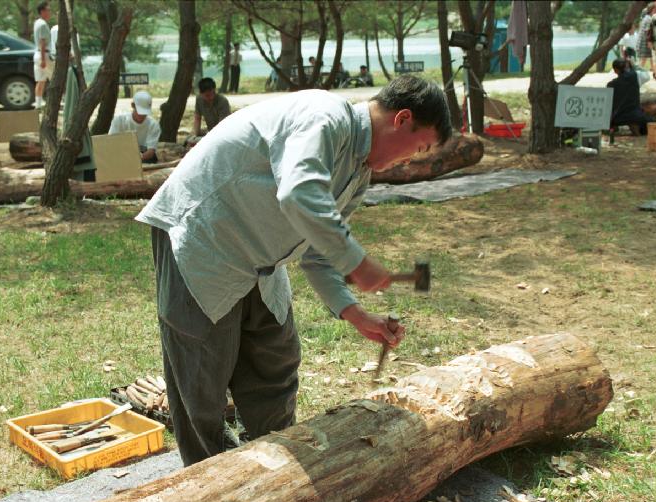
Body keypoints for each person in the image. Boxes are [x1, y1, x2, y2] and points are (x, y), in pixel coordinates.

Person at [135, 75, 450, 466]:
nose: (409, 160)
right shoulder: (324, 115)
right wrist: (356, 261)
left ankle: (273, 469)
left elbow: (318, 254)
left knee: (276, 361)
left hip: (262, 260)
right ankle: (210, 483)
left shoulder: (359, 173)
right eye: (417, 148)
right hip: (204, 240)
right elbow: (299, 192)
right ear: (402, 119)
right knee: (202, 383)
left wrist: (355, 313)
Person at [108, 91, 161, 164]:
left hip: (143, 157)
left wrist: (137, 158)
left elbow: (151, 151)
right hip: (121, 154)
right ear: (133, 106)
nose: (142, 115)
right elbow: (112, 143)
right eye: (140, 111)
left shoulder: (153, 125)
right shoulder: (119, 121)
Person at [607, 58, 655, 135]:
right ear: (626, 67)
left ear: (615, 70)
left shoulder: (611, 84)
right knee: (652, 121)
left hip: (617, 117)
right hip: (635, 115)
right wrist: (634, 65)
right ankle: (636, 128)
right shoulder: (635, 76)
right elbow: (646, 75)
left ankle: (615, 128)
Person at [33, 1, 53, 108]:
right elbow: (42, 42)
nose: (50, 12)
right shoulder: (43, 25)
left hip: (37, 54)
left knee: (40, 81)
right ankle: (55, 103)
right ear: (42, 11)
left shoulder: (37, 23)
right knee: (55, 79)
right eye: (48, 10)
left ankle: (38, 104)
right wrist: (43, 60)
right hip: (44, 55)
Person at [637, 4, 655, 75]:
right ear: (652, 10)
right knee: (644, 58)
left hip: (643, 40)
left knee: (651, 56)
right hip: (645, 41)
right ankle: (638, 74)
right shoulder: (649, 19)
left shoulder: (645, 18)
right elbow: (647, 31)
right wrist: (649, 41)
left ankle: (654, 71)